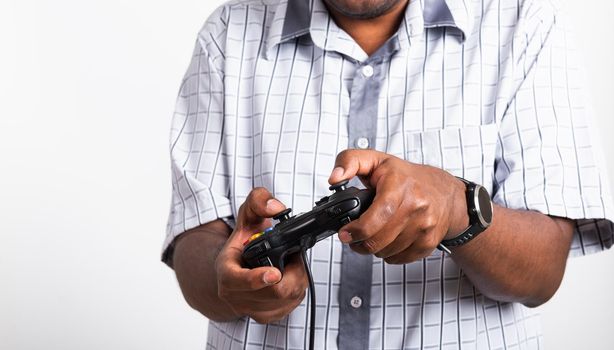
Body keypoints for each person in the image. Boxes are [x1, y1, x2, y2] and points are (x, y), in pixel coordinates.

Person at [162, 0, 614, 348]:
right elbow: (193, 244)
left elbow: (542, 272)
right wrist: (232, 283)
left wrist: (457, 210)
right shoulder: (227, 34)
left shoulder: (522, 23)